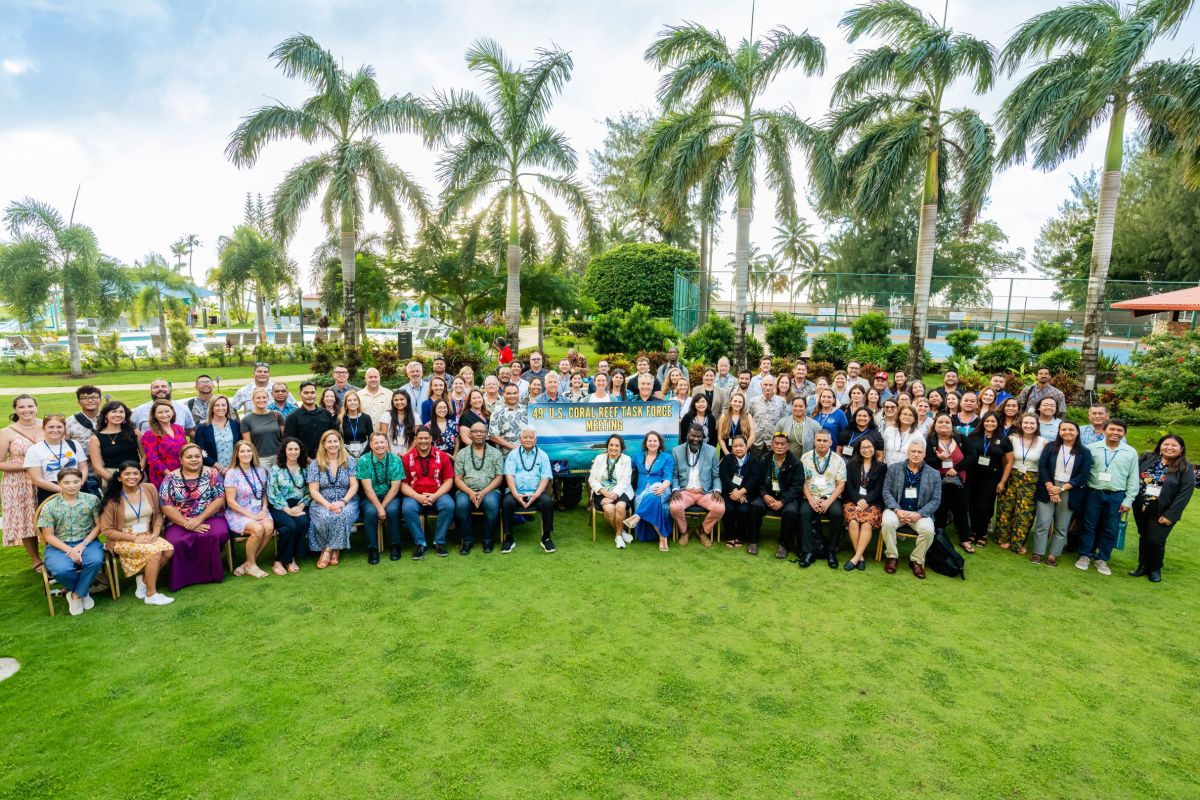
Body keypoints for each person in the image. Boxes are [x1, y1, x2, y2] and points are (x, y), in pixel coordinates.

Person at [100, 461, 175, 605]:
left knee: (168, 550)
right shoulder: (112, 499)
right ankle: (151, 594)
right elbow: (107, 530)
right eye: (127, 474)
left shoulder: (149, 488)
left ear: (141, 475)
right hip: (123, 538)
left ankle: (143, 580)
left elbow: (158, 514)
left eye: (135, 473)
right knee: (155, 552)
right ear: (119, 477)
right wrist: (135, 539)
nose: (132, 477)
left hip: (148, 534)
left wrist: (156, 532)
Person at [158, 443, 229, 591]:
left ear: (202, 458)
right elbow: (165, 505)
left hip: (210, 516)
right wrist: (186, 523)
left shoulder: (212, 473)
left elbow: (219, 499)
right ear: (181, 459)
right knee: (175, 541)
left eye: (197, 456)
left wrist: (199, 519)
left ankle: (212, 574)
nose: (194, 459)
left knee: (218, 533)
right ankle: (184, 578)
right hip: (179, 520)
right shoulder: (170, 478)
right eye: (189, 457)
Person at [1076, 419, 1139, 576]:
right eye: (1112, 429)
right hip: (1093, 493)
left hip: (1116, 495)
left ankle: (1102, 559)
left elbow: (1133, 478)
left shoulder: (1130, 452)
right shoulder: (1091, 448)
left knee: (1110, 529)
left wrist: (1128, 500)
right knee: (1088, 525)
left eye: (1119, 430)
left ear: (1124, 433)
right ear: (1104, 430)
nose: (1115, 433)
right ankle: (1085, 555)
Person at [36, 468, 103, 615]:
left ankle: (75, 595)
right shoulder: (50, 506)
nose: (71, 485)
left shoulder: (92, 500)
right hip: (58, 545)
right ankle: (83, 592)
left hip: (87, 541)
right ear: (59, 484)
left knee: (95, 561)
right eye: (66, 482)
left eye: (75, 482)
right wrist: (70, 550)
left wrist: (82, 545)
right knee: (61, 570)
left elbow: (99, 526)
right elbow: (48, 536)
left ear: (81, 482)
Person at [1130, 434, 1195, 582]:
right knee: (1144, 536)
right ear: (1160, 445)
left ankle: (1155, 569)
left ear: (1181, 449)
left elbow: (1184, 494)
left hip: (1164, 510)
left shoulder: (1185, 467)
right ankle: (1142, 566)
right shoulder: (1148, 458)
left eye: (1174, 445)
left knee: (1156, 540)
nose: (1169, 448)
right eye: (1166, 444)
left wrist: (1171, 515)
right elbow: (1133, 475)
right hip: (1142, 506)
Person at [1031, 420, 1091, 566]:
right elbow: (1043, 467)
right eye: (1063, 429)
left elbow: (1083, 475)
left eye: (1071, 429)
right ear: (1059, 432)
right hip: (1048, 488)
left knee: (1062, 525)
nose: (1067, 432)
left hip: (1069, 491)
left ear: (1077, 432)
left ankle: (1053, 555)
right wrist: (1051, 487)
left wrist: (1061, 489)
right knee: (1043, 522)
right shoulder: (1051, 446)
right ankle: (1038, 552)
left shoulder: (1084, 452)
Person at [880, 440, 941, 579]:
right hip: (897, 510)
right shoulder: (894, 468)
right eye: (913, 451)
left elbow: (936, 500)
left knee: (928, 530)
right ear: (908, 452)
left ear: (924, 454)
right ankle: (892, 557)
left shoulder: (934, 474)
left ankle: (917, 560)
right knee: (887, 523)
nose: (916, 454)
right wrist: (896, 509)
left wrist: (919, 514)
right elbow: (886, 492)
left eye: (919, 452)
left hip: (920, 513)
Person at [306, 430, 359, 569]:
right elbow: (313, 490)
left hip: (347, 499)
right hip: (322, 501)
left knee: (342, 514)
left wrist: (343, 502)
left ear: (340, 443)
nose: (333, 444)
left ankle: (328, 550)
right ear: (323, 444)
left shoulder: (350, 460)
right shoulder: (315, 464)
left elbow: (354, 486)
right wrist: (328, 505)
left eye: (336, 441)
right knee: (325, 516)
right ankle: (335, 549)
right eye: (329, 441)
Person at [1, 395, 43, 570]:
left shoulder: (46, 425)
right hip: (18, 483)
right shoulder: (7, 432)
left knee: (47, 517)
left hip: (43, 479)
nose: (26, 410)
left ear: (36, 407)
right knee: (26, 520)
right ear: (15, 410)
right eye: (22, 407)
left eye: (30, 406)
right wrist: (27, 466)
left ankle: (57, 554)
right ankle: (36, 560)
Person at [399, 427, 455, 559]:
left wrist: (435, 496)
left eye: (426, 438)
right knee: (407, 508)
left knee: (449, 505)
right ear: (415, 440)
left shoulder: (442, 456)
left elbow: (448, 481)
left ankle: (439, 542)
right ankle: (420, 544)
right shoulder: (407, 458)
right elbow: (403, 484)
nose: (423, 441)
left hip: (438, 493)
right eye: (420, 438)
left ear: (431, 439)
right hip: (414, 495)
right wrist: (417, 497)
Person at [994, 413, 1046, 554]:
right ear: (1020, 424)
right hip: (1012, 476)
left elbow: (1046, 465)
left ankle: (1019, 543)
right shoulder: (1012, 439)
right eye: (1026, 423)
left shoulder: (1044, 442)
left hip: (1031, 480)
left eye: (1032, 423)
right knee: (1005, 509)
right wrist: (1002, 480)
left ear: (1037, 425)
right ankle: (1003, 539)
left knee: (1024, 513)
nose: (1028, 426)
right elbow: (1005, 460)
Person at [926, 412, 977, 552]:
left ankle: (965, 540)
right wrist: (940, 459)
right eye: (940, 422)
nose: (944, 424)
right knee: (940, 509)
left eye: (947, 422)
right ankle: (939, 536)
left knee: (960, 510)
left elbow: (972, 457)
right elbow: (926, 462)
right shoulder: (930, 441)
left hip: (960, 481)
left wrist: (957, 468)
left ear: (952, 425)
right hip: (938, 482)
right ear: (934, 425)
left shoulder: (962, 439)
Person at [223, 440, 275, 578]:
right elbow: (230, 502)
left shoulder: (260, 470)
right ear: (237, 454)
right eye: (242, 451)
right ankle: (252, 565)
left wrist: (264, 507)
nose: (246, 454)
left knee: (269, 528)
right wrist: (252, 517)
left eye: (249, 451)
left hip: (258, 509)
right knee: (258, 529)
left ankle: (247, 563)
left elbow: (264, 493)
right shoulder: (232, 473)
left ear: (253, 453)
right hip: (239, 512)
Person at [501, 427, 556, 553]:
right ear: (520, 439)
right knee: (506, 503)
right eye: (525, 437)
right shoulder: (513, 455)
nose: (528, 440)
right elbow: (509, 475)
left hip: (536, 493)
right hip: (516, 492)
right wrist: (515, 494)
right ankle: (508, 538)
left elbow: (545, 477)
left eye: (531, 437)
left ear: (535, 440)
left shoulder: (543, 455)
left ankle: (546, 538)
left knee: (548, 502)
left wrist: (536, 495)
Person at [798, 430, 847, 568]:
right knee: (804, 513)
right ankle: (808, 551)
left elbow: (841, 485)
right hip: (810, 496)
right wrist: (811, 500)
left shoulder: (838, 460)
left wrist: (828, 502)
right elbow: (802, 482)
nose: (822, 443)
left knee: (837, 514)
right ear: (815, 442)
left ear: (831, 443)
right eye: (819, 440)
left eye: (825, 441)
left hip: (830, 498)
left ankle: (831, 551)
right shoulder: (805, 458)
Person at [454, 421, 504, 555]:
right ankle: (467, 540)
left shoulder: (495, 453)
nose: (479, 434)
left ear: (486, 434)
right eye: (475, 431)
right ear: (470, 434)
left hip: (490, 490)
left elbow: (499, 477)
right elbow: (457, 478)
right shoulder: (462, 454)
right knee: (461, 505)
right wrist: (470, 492)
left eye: (482, 431)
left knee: (492, 504)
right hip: (466, 490)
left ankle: (488, 540)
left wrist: (483, 492)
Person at [669, 424, 724, 547]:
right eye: (693, 435)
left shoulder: (711, 451)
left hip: (705, 492)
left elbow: (716, 475)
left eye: (699, 437)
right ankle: (685, 531)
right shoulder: (677, 451)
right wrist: (675, 489)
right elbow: (674, 475)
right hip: (685, 491)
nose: (696, 439)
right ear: (687, 435)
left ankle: (703, 531)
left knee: (720, 508)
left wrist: (717, 490)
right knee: (674, 507)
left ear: (703, 437)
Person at [966, 412, 1013, 550]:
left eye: (993, 421)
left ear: (997, 423)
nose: (990, 424)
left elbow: (1009, 462)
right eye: (987, 421)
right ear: (983, 422)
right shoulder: (973, 437)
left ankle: (982, 533)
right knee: (973, 504)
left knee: (985, 506)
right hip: (973, 476)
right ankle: (974, 531)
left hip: (992, 478)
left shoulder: (1003, 440)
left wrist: (1002, 482)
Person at [358, 431, 405, 563]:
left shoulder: (395, 460)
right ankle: (373, 549)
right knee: (370, 512)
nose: (379, 445)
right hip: (370, 496)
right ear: (371, 445)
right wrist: (378, 508)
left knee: (392, 511)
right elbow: (367, 488)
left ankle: (395, 546)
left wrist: (382, 507)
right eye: (376, 442)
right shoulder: (363, 460)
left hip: (390, 495)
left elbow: (395, 487)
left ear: (386, 443)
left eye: (382, 442)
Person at [267, 437, 310, 574]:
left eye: (296, 449)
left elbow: (311, 491)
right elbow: (272, 493)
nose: (293, 452)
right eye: (290, 449)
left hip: (299, 504)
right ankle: (282, 560)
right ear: (284, 451)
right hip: (279, 505)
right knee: (289, 526)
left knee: (302, 522)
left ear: (300, 450)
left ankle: (288, 558)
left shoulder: (306, 469)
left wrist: (302, 506)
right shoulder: (275, 469)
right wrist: (287, 509)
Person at [626, 431, 674, 550]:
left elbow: (668, 477)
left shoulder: (667, 457)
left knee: (656, 487)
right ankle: (662, 537)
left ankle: (637, 516)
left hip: (662, 490)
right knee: (653, 499)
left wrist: (663, 487)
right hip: (641, 492)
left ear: (659, 443)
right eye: (650, 440)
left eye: (655, 441)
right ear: (646, 443)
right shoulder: (639, 456)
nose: (652, 443)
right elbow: (626, 466)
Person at [26, 413, 88, 504]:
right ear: (43, 429)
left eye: (59, 427)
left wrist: (78, 485)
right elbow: (36, 479)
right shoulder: (34, 450)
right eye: (51, 427)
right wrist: (64, 490)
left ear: (64, 429)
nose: (55, 430)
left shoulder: (74, 444)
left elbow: (83, 467)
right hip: (50, 491)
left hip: (77, 488)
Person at [843, 436, 885, 571]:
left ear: (874, 448)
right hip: (853, 500)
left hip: (873, 502)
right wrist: (858, 501)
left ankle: (855, 558)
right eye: (863, 447)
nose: (867, 450)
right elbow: (849, 487)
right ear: (858, 449)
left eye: (869, 447)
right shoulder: (851, 465)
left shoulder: (882, 466)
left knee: (867, 523)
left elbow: (879, 488)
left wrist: (866, 501)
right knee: (853, 522)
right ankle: (860, 557)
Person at [718, 433, 764, 554]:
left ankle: (740, 536)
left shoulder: (754, 460)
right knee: (728, 508)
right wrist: (734, 491)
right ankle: (729, 536)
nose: (738, 448)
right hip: (729, 492)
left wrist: (741, 492)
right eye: (735, 446)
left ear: (746, 446)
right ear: (731, 447)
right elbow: (724, 476)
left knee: (743, 510)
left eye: (741, 445)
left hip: (747, 494)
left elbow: (754, 478)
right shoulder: (727, 459)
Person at [589, 434, 635, 548]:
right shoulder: (600, 458)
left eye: (617, 445)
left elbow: (625, 481)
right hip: (602, 491)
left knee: (620, 507)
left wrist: (613, 495)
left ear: (621, 447)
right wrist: (604, 492)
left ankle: (618, 536)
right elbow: (592, 479)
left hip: (621, 491)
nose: (613, 448)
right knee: (609, 509)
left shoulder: (626, 460)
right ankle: (620, 533)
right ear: (607, 446)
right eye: (611, 445)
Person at [88, 400, 141, 487]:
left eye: (121, 412)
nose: (118, 414)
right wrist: (115, 481)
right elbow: (97, 466)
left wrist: (139, 471)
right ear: (106, 415)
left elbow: (144, 456)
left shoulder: (134, 432)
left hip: (135, 474)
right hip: (111, 475)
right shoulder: (96, 439)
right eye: (113, 411)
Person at [283, 382, 337, 458]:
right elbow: (289, 442)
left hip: (326, 459)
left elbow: (335, 435)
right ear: (300, 394)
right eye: (306, 393)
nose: (310, 395)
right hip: (303, 462)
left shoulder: (326, 414)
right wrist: (307, 460)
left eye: (312, 392)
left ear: (316, 394)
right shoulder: (292, 417)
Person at [140, 401, 186, 489]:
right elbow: (153, 459)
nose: (164, 414)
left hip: (182, 472)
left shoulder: (179, 428)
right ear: (154, 415)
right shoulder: (150, 434)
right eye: (160, 412)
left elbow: (185, 450)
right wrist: (170, 475)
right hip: (162, 476)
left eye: (167, 411)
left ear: (172, 412)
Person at [65, 385, 102, 492]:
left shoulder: (109, 418)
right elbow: (65, 448)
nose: (90, 400)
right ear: (78, 402)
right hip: (83, 472)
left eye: (94, 397)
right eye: (85, 398)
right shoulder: (69, 423)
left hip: (107, 468)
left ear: (100, 400)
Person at [194, 395, 240, 475]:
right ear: (212, 407)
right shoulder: (203, 427)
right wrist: (219, 467)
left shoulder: (235, 425)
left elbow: (240, 446)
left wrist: (232, 467)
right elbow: (201, 451)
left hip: (234, 469)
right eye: (217, 405)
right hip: (212, 471)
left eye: (224, 405)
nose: (221, 408)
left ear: (228, 407)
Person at [131, 379, 196, 434]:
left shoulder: (183, 408)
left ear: (170, 389)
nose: (160, 389)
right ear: (151, 391)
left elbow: (189, 429)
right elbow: (133, 432)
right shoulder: (139, 410)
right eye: (156, 387)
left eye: (164, 386)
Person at [241, 388, 285, 468]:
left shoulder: (277, 415)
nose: (261, 400)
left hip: (278, 457)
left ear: (268, 398)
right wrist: (254, 459)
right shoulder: (246, 420)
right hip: (260, 459)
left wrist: (282, 455)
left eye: (264, 397)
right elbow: (248, 444)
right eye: (258, 398)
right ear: (253, 400)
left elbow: (284, 438)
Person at [746, 376, 787, 457]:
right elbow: (748, 420)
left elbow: (784, 422)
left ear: (775, 386)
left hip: (773, 443)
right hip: (756, 442)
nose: (768, 387)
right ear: (761, 385)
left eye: (770, 385)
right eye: (765, 384)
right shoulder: (753, 401)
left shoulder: (781, 402)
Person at [777, 396, 820, 461]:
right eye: (795, 406)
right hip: (785, 461)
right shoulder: (782, 422)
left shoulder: (814, 425)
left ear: (805, 407)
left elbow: (819, 444)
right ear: (792, 407)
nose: (797, 408)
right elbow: (774, 440)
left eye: (800, 406)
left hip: (807, 462)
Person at [488, 384, 527, 453]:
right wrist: (514, 448)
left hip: (527, 454)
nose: (512, 396)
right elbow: (493, 436)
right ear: (503, 394)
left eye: (515, 393)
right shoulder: (497, 413)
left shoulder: (526, 410)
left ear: (519, 393)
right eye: (509, 394)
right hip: (506, 455)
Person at [338, 390, 372, 459]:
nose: (352, 402)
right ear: (345, 403)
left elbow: (371, 438)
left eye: (355, 400)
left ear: (358, 402)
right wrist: (350, 456)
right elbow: (339, 440)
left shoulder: (366, 418)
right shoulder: (340, 419)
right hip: (346, 455)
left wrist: (363, 456)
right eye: (349, 400)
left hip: (365, 454)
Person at [387, 390, 417, 455]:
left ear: (407, 401)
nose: (399, 402)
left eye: (402, 399)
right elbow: (383, 436)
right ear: (392, 402)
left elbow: (416, 438)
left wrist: (406, 453)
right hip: (390, 454)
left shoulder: (415, 417)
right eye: (396, 400)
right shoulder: (386, 415)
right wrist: (390, 455)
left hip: (408, 453)